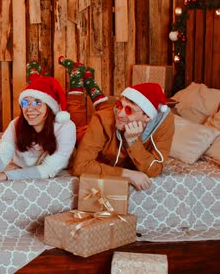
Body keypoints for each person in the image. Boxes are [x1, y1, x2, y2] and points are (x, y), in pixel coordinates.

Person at [59, 57, 175, 191]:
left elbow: (155, 169)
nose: (120, 113)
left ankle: (89, 80)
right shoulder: (103, 119)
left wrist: (132, 142)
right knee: (77, 122)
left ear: (147, 117)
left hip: (109, 121)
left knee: (107, 110)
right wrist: (126, 174)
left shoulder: (164, 122)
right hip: (84, 134)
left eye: (129, 109)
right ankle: (76, 76)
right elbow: (80, 166)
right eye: (119, 104)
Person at [0, 73, 76, 181]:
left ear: (49, 107)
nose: (30, 109)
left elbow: (48, 169)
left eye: (38, 102)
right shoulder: (15, 125)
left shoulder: (65, 127)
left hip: (57, 167)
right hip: (26, 169)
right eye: (25, 102)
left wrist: (7, 176)